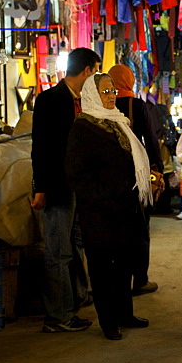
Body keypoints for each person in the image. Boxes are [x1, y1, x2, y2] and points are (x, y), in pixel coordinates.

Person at [66, 73, 152, 341]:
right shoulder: (84, 128)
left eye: (113, 90)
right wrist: (106, 196)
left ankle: (125, 314)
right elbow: (78, 174)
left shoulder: (119, 123)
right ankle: (109, 321)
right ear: (92, 95)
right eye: (105, 92)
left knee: (125, 265)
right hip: (101, 213)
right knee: (103, 269)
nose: (112, 95)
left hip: (126, 209)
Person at [30, 47, 100, 333]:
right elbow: (41, 149)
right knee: (58, 253)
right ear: (86, 71)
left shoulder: (87, 102)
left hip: (80, 188)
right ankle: (57, 316)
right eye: (95, 71)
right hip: (59, 187)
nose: (95, 77)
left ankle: (75, 302)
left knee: (77, 246)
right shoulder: (49, 100)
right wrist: (41, 188)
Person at [108, 64, 162, 295]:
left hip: (110, 177)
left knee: (113, 230)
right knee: (139, 228)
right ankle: (140, 279)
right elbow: (150, 140)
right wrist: (157, 170)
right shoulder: (136, 105)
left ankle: (113, 281)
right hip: (136, 175)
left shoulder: (103, 106)